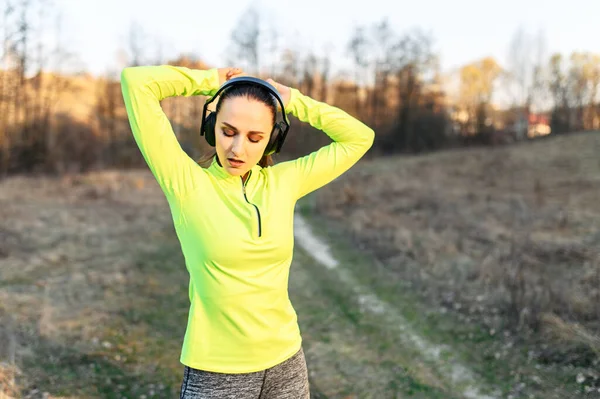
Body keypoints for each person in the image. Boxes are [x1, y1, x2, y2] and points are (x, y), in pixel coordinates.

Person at [120, 64, 375, 399]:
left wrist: (293, 100)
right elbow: (135, 83)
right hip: (217, 372)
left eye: (255, 138)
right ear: (211, 127)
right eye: (228, 131)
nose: (238, 149)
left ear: (272, 140)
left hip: (286, 361)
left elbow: (359, 137)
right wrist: (210, 82)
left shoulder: (283, 183)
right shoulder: (186, 183)